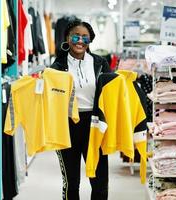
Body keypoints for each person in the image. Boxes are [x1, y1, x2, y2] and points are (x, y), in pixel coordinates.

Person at [51, 18, 111, 200]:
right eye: (76, 36)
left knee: (100, 181)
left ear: (90, 41)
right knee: (71, 181)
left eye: (85, 37)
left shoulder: (100, 63)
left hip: (95, 125)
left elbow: (110, 95)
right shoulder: (57, 66)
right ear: (68, 38)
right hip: (67, 126)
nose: (80, 41)